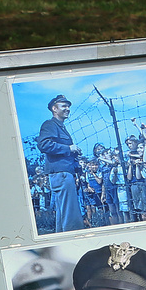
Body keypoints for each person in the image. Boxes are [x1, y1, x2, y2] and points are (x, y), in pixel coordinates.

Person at [36, 94, 85, 232]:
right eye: (64, 106)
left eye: (68, 106)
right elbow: (44, 145)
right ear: (54, 108)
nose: (67, 108)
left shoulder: (61, 127)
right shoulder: (50, 124)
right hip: (61, 173)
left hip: (64, 173)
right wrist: (68, 148)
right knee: (71, 215)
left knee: (63, 214)